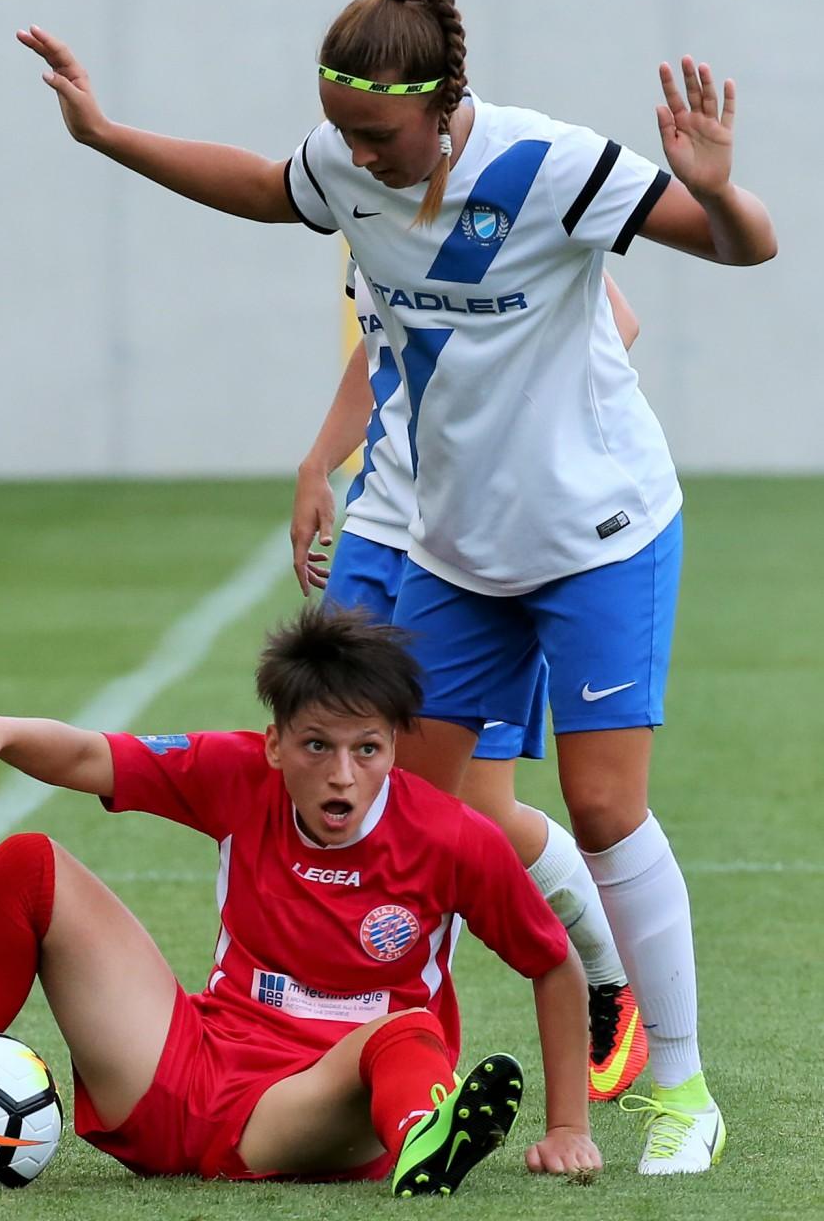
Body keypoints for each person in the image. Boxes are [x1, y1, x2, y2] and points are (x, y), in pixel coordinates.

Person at [16, 0, 776, 1172]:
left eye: (376, 135)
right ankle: (415, 1052)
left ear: (443, 104)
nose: (354, 158)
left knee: (599, 806)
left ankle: (680, 1086)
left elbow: (743, 250)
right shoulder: (346, 167)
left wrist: (718, 191)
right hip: (456, 549)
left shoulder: (546, 165)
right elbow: (262, 187)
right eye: (340, 133)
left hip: (599, 534)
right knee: (422, 814)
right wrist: (105, 135)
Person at [0, 608, 600, 1192]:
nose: (342, 774)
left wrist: (566, 1129)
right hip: (189, 1073)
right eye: (316, 746)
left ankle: (424, 1138)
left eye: (366, 749)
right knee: (25, 864)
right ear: (275, 744)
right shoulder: (236, 774)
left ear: (394, 747)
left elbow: (551, 963)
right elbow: (93, 756)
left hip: (321, 1111)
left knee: (408, 1033)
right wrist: (0, 728)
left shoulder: (454, 838)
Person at [292, 263, 647, 1104]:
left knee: (467, 809)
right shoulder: (364, 209)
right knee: (332, 782)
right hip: (379, 535)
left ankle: (607, 980)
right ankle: (343, 1024)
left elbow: (615, 324)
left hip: (477, 546)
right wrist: (318, 463)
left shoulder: (504, 209)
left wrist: (504, 430)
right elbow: (384, 345)